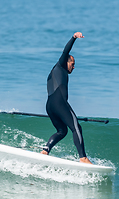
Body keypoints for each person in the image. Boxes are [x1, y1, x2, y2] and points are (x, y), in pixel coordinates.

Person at [41, 32, 93, 164]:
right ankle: (83, 158)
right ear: (66, 62)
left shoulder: (53, 72)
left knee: (62, 131)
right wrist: (74, 38)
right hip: (60, 103)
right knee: (76, 128)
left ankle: (45, 150)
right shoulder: (60, 65)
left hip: (49, 106)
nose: (74, 67)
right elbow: (66, 51)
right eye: (73, 64)